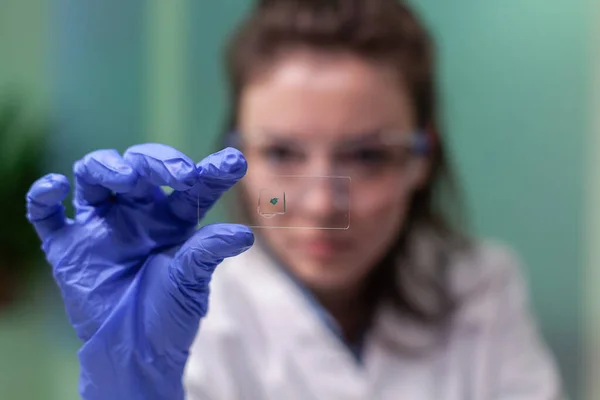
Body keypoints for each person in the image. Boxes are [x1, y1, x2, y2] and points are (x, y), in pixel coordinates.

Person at [25, 0, 563, 399]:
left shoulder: (481, 287)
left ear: (422, 158)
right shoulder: (190, 314)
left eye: (369, 157)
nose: (323, 207)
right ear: (235, 156)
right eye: (282, 153)